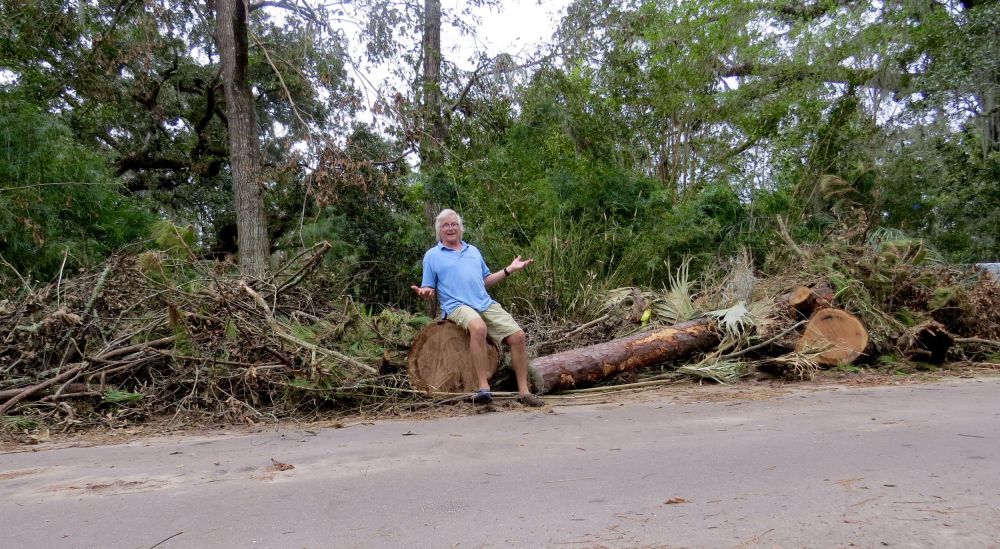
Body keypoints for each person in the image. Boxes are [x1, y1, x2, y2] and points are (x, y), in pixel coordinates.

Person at [411, 209, 544, 407]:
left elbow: (485, 281)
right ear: (439, 231)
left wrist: (509, 270)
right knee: (478, 327)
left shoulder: (472, 251)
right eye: (445, 225)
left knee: (518, 336)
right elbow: (428, 287)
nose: (450, 228)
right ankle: (483, 388)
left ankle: (524, 392)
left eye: (454, 224)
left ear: (460, 228)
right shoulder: (432, 256)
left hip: (483, 302)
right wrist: (426, 293)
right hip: (457, 306)